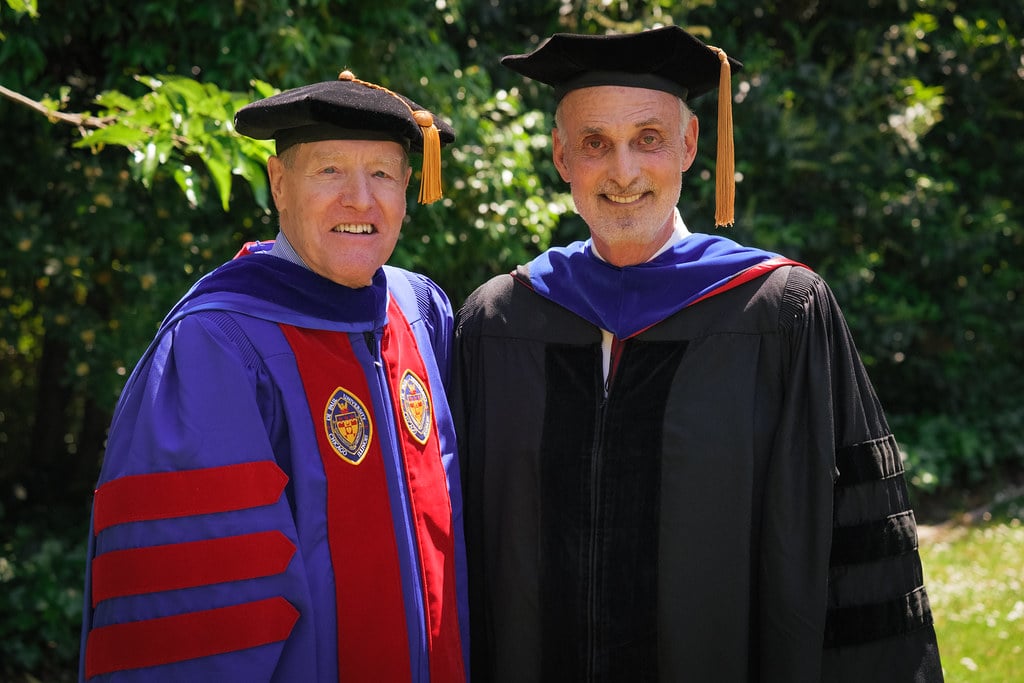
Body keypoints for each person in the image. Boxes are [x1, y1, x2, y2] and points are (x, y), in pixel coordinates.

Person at [453, 25, 943, 682]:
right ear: (561, 156)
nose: (623, 171)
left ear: (688, 145)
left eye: (647, 138)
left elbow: (853, 546)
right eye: (595, 144)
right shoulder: (498, 322)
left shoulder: (780, 314)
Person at [79, 71, 469, 682]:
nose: (361, 201)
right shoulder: (216, 346)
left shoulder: (418, 312)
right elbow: (194, 620)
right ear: (279, 185)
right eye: (330, 171)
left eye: (384, 174)